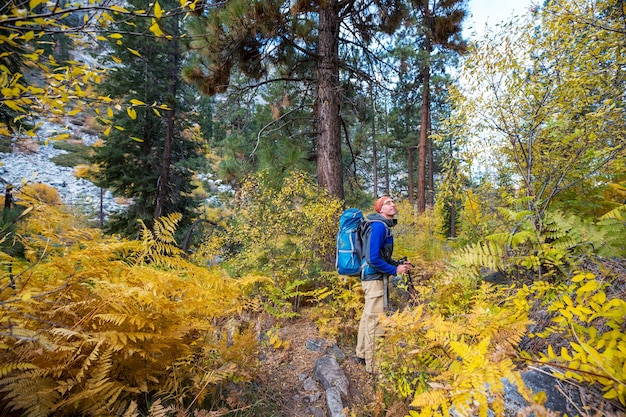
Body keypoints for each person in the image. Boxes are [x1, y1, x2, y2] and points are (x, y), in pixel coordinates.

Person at [355, 196, 412, 373]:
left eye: (393, 202)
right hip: (374, 280)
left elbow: (380, 256)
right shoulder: (379, 226)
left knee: (367, 317)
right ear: (380, 209)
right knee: (375, 321)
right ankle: (374, 367)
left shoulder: (380, 225)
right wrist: (394, 271)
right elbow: (373, 259)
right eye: (388, 203)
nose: (393, 204)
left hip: (370, 277)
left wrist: (397, 265)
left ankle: (362, 354)